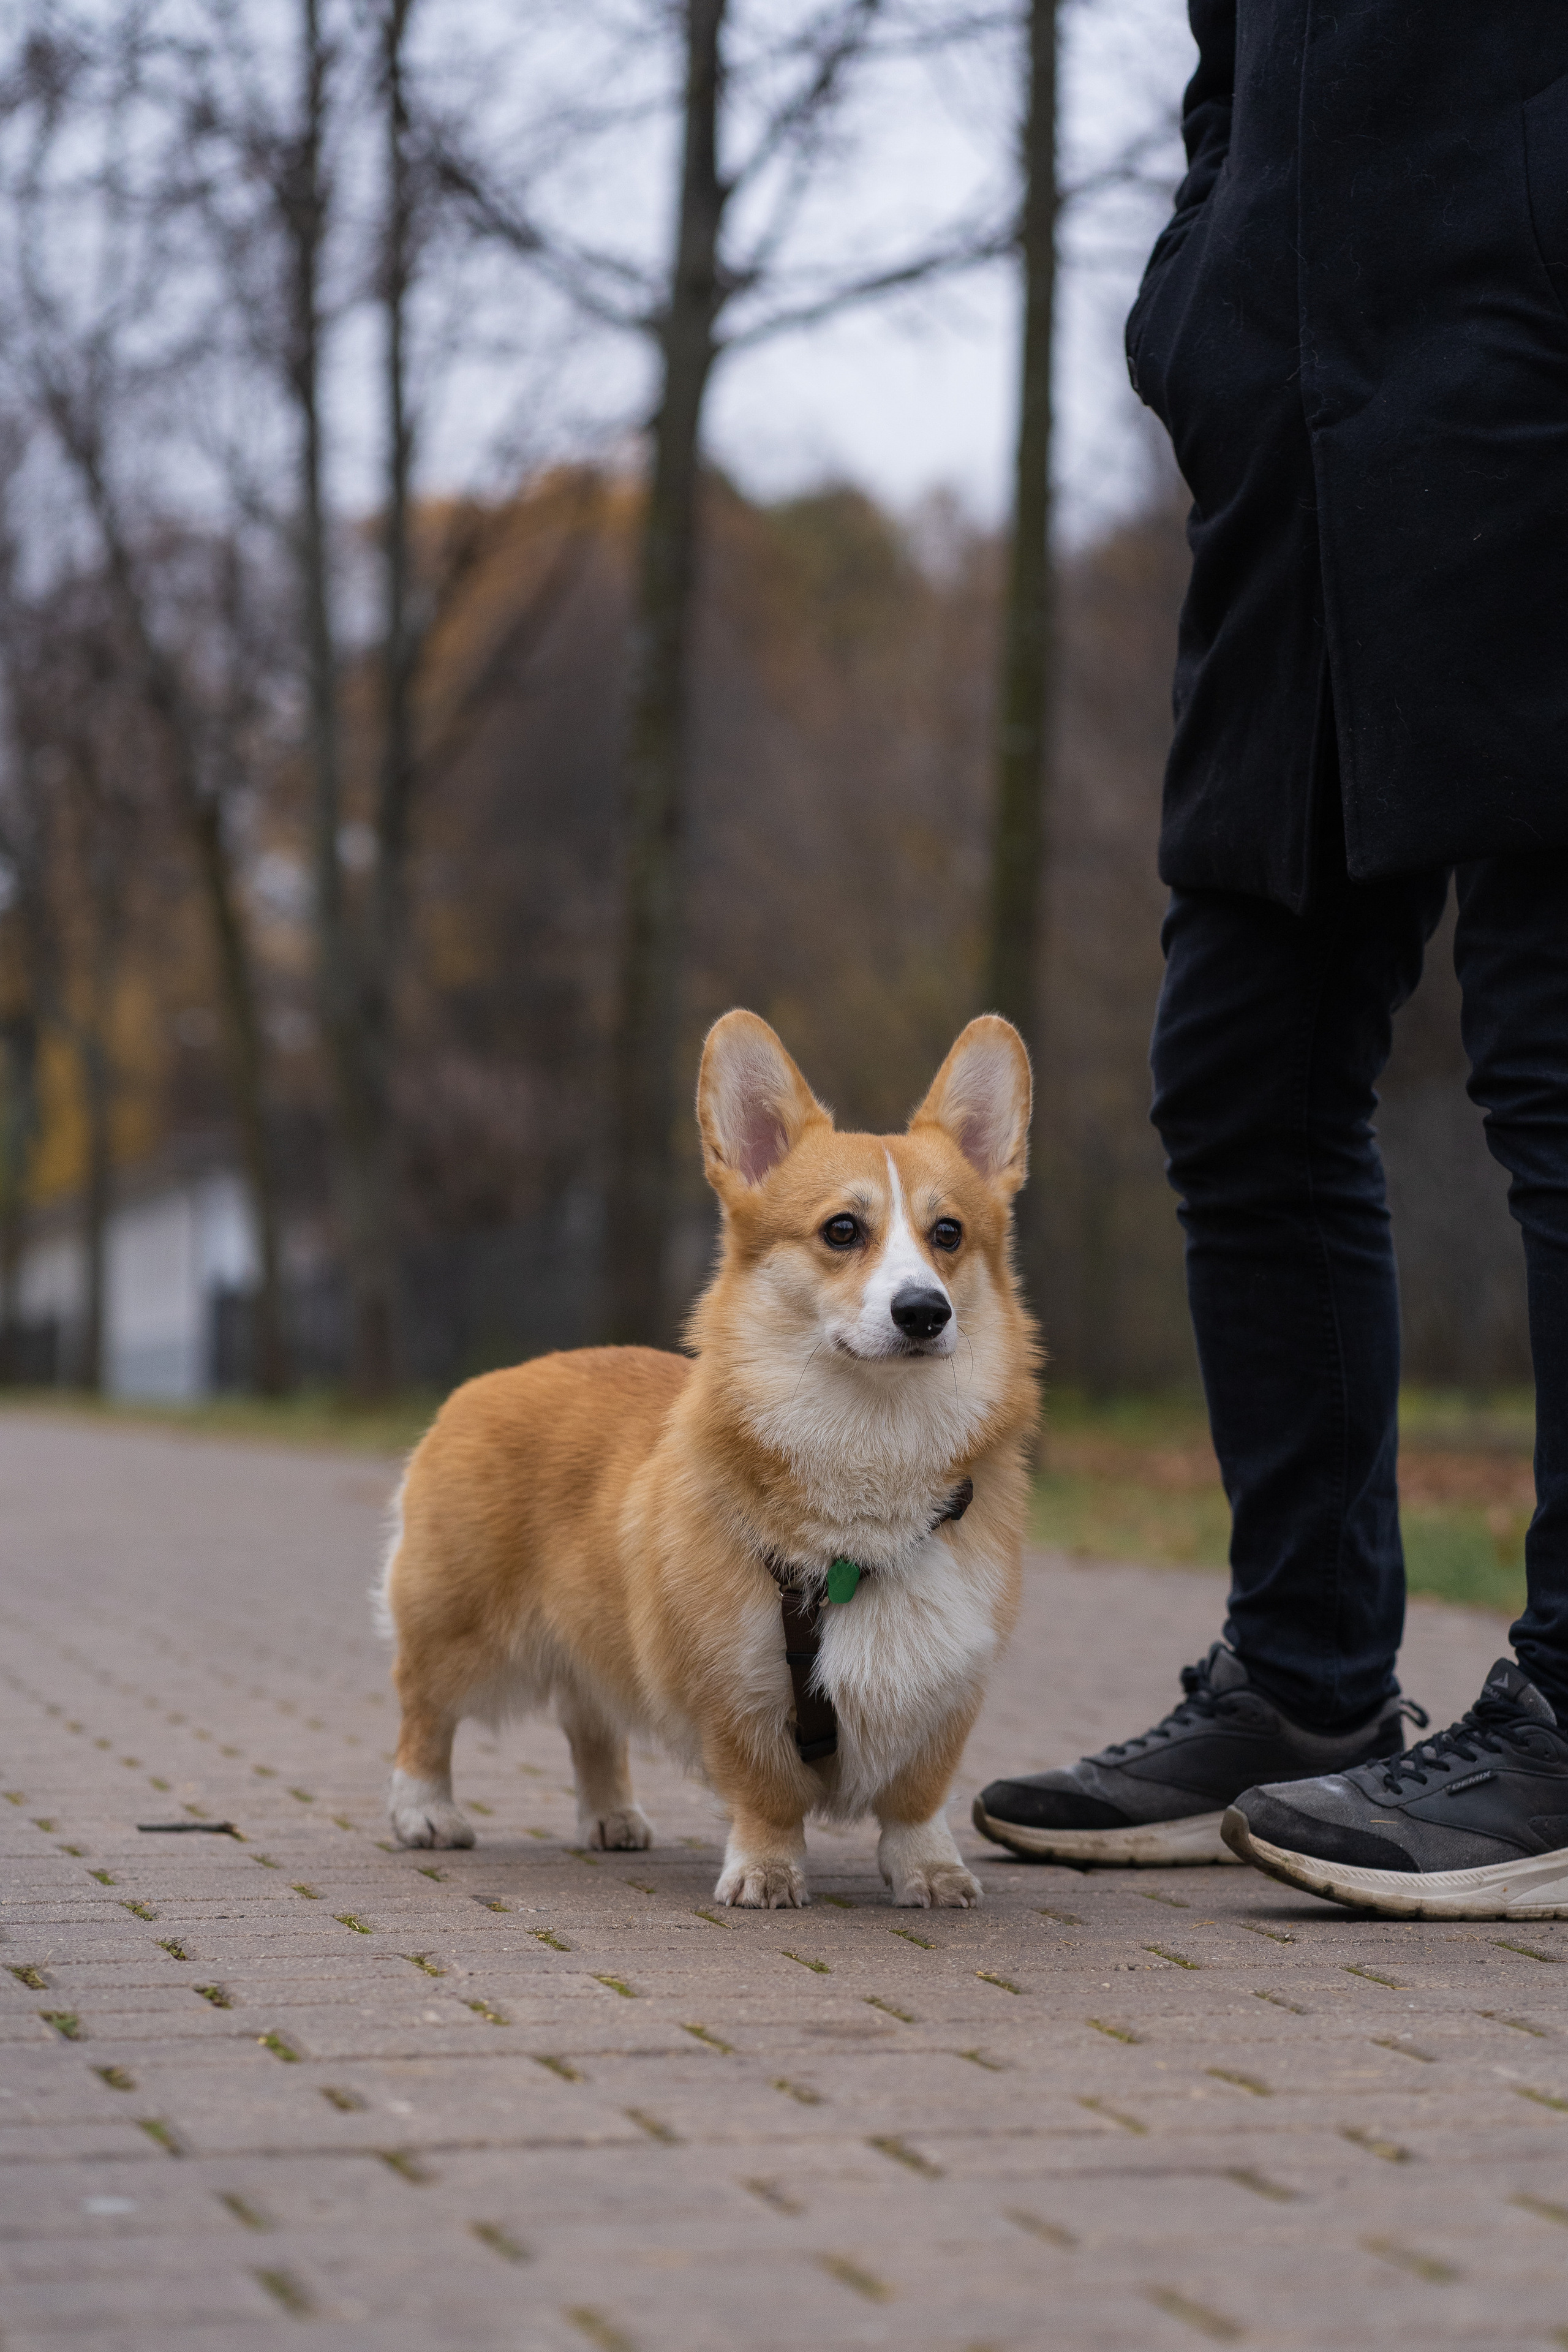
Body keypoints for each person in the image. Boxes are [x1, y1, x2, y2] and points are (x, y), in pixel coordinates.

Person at [973, 1, 1568, 1917]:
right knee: (1237, 1069)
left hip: (1537, 400)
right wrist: (1206, 297)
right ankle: (1307, 1684)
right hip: (1301, 453)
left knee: (1556, 1069)